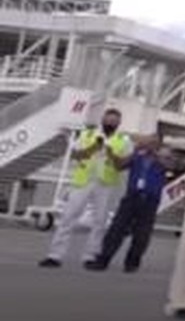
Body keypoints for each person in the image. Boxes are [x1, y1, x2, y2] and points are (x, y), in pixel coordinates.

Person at [39, 108, 133, 268]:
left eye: (114, 121)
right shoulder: (88, 134)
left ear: (118, 123)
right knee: (68, 217)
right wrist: (93, 148)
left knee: (100, 221)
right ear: (102, 119)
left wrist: (111, 153)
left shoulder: (123, 140)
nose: (110, 123)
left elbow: (123, 165)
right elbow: (76, 155)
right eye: (108, 119)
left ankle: (90, 256)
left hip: (104, 184)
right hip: (83, 181)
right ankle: (55, 255)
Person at [86, 131, 171, 273]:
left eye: (153, 141)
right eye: (149, 140)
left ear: (159, 144)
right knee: (116, 228)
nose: (150, 143)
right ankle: (103, 259)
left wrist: (156, 155)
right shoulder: (137, 156)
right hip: (132, 196)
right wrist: (120, 152)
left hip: (149, 200)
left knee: (142, 233)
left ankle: (132, 263)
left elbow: (171, 166)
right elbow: (120, 166)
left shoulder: (164, 158)